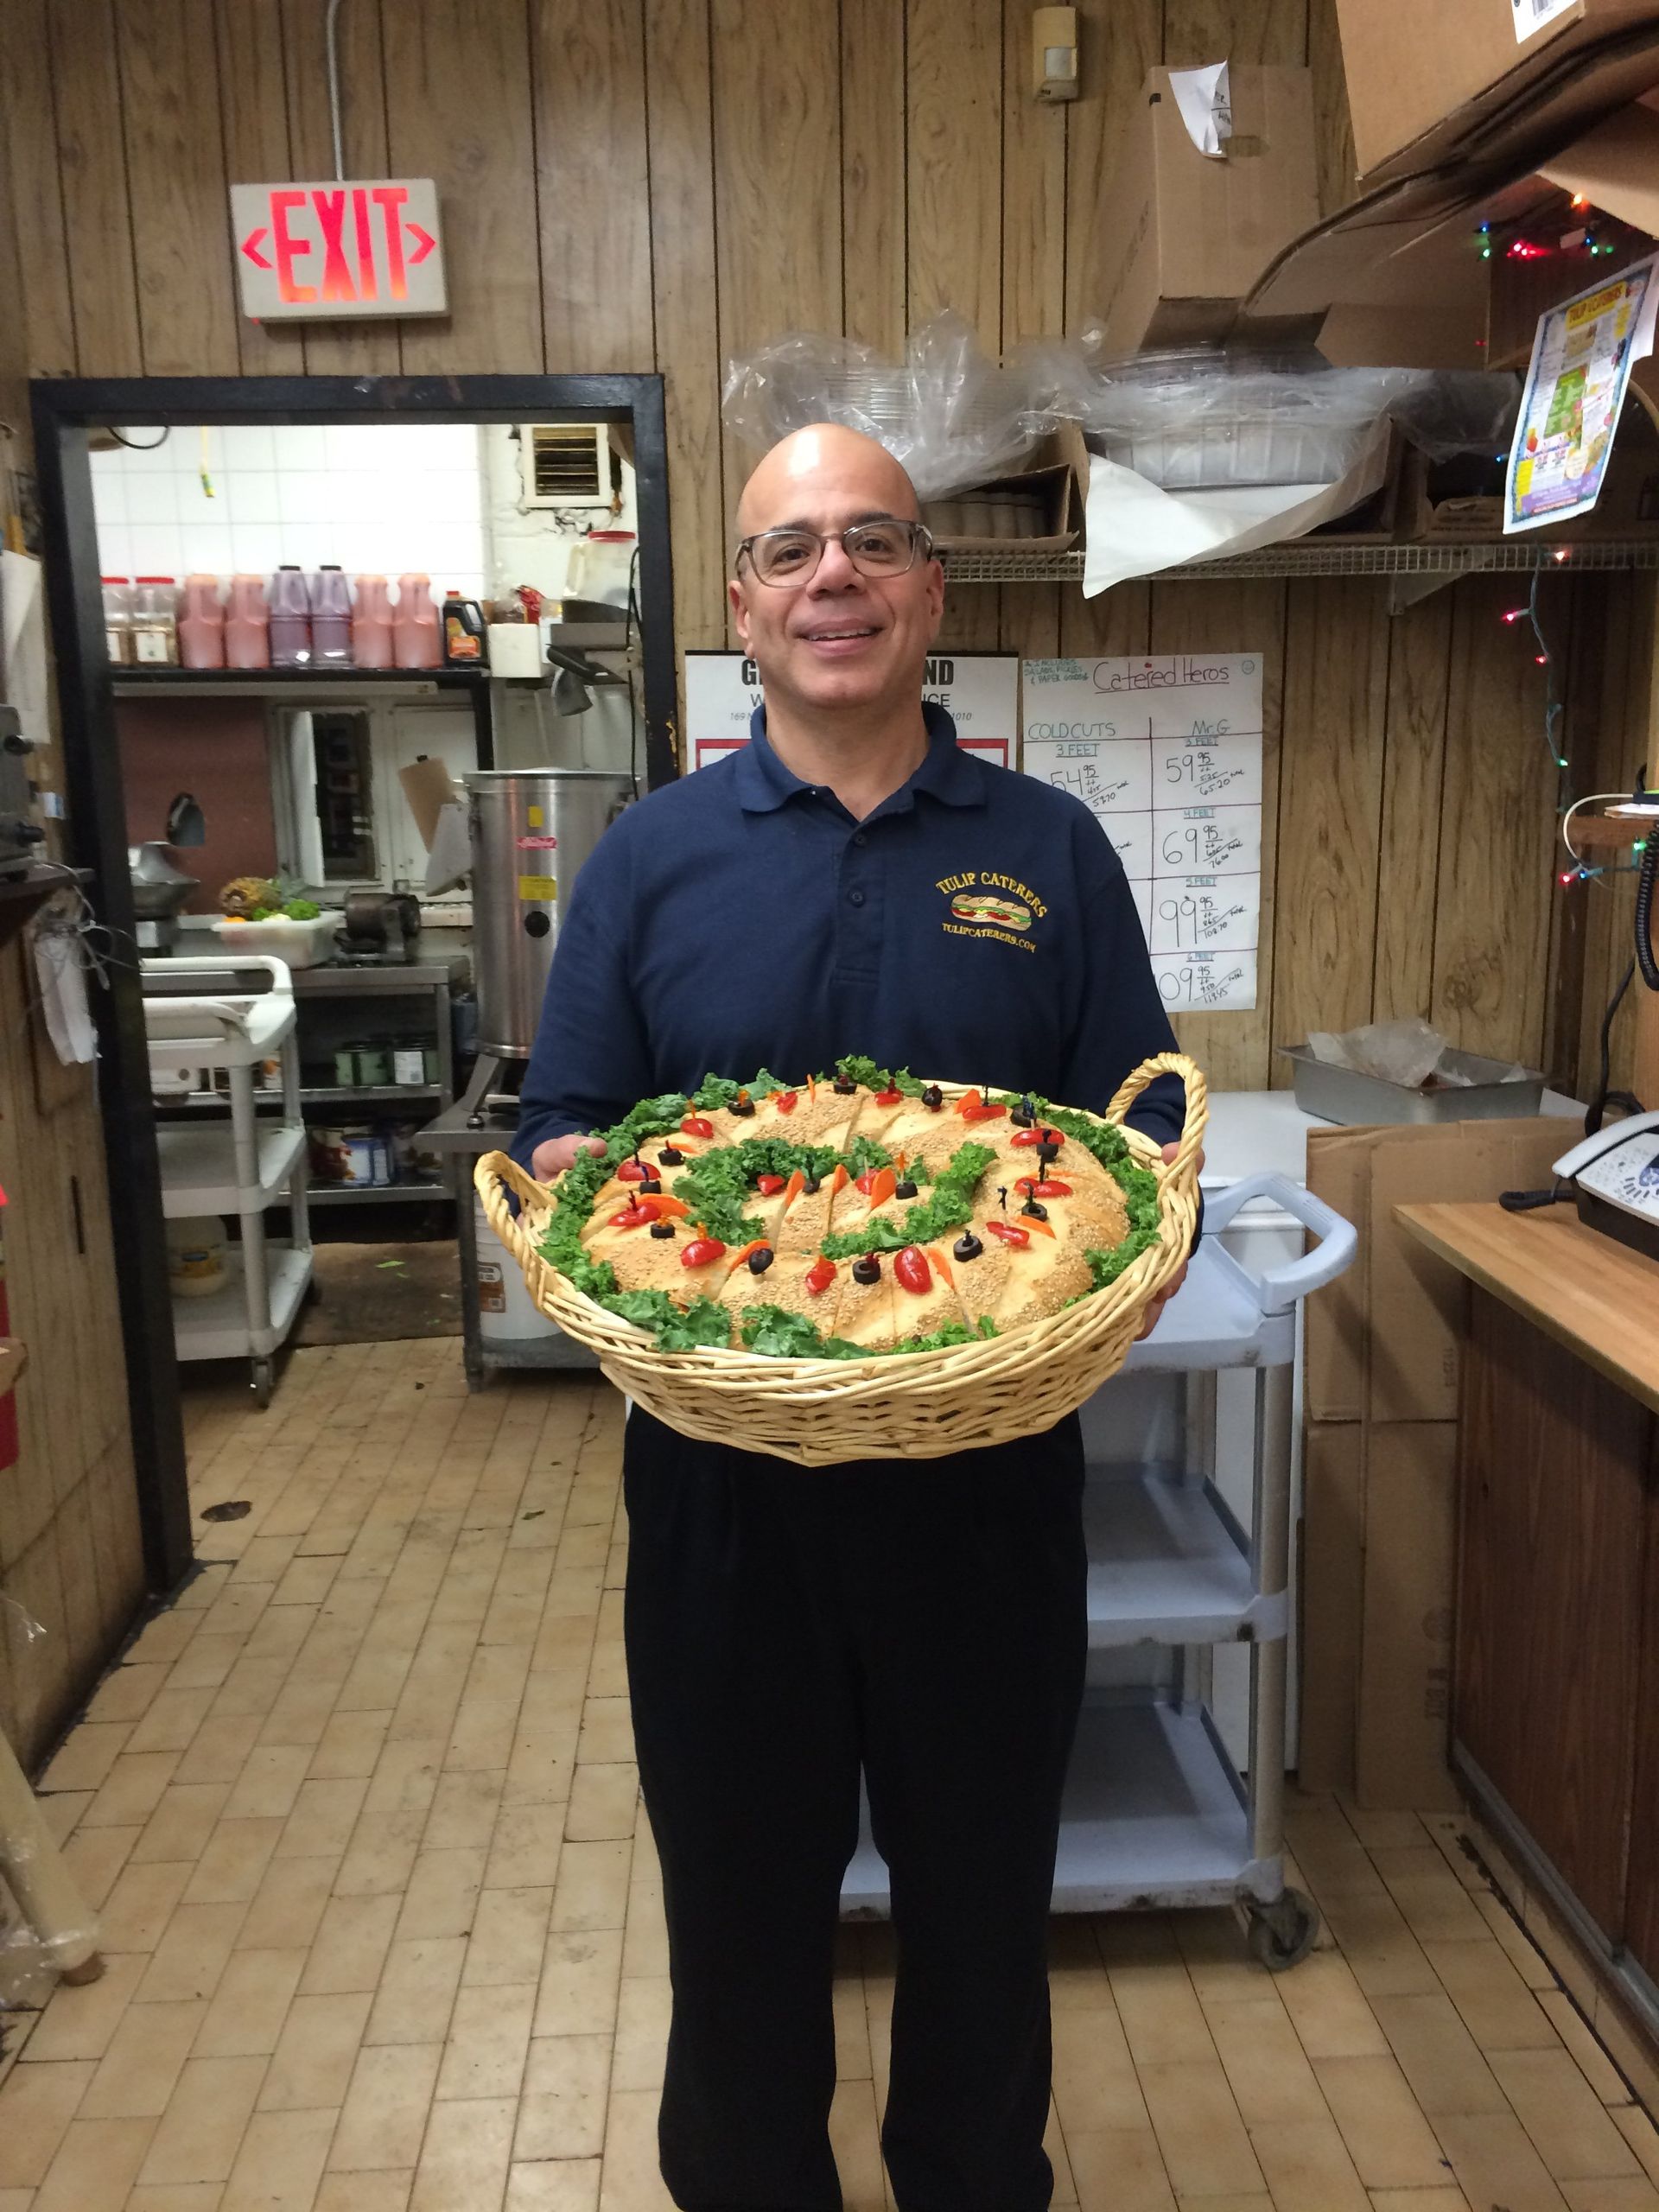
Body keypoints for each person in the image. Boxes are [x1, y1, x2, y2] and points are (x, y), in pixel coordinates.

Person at [514, 423, 1194, 2212]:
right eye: (792, 549)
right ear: (741, 604)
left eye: (874, 541)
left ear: (932, 590)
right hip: (725, 1508)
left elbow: (1138, 1126)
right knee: (739, 1936)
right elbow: (560, 1127)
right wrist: (595, 1178)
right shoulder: (654, 859)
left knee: (982, 1925)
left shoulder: (1050, 848)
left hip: (988, 1493)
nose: (835, 577)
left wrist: (1150, 1226)